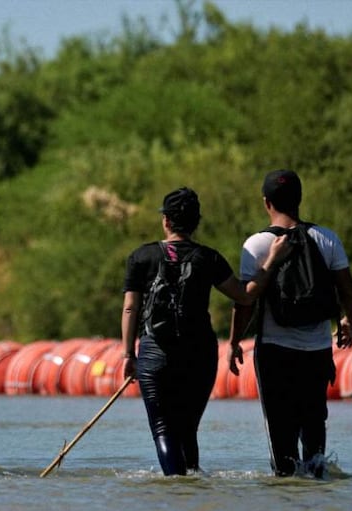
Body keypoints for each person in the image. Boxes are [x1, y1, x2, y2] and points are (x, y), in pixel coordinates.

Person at [122, 187, 288, 476]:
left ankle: (175, 485)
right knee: (187, 428)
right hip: (199, 354)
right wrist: (271, 260)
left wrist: (128, 355)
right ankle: (192, 489)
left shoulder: (141, 257)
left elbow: (130, 309)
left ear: (165, 221)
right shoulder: (208, 258)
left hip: (155, 353)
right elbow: (245, 295)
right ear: (196, 222)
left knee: (163, 428)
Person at [228, 169, 352, 477]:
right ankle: (316, 487)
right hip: (316, 350)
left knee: (281, 435)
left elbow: (246, 302)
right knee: (314, 428)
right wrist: (348, 321)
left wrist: (234, 342)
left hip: (276, 351)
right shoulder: (326, 239)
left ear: (266, 202)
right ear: (299, 199)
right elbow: (349, 291)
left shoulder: (258, 244)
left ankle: (287, 496)